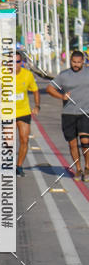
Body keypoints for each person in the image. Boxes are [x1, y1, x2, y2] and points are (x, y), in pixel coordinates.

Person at [46, 50, 89, 181]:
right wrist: (61, 96)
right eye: (73, 62)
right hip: (68, 113)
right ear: (70, 61)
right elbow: (50, 88)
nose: (76, 64)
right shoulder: (64, 75)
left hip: (85, 112)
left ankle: (87, 167)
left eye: (78, 62)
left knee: (85, 141)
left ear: (83, 61)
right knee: (72, 144)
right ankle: (78, 169)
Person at [13, 51, 40, 177]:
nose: (14, 64)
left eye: (17, 61)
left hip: (23, 112)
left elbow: (35, 90)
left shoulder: (27, 75)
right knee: (8, 142)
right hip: (7, 113)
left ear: (21, 62)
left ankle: (19, 166)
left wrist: (37, 105)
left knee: (24, 139)